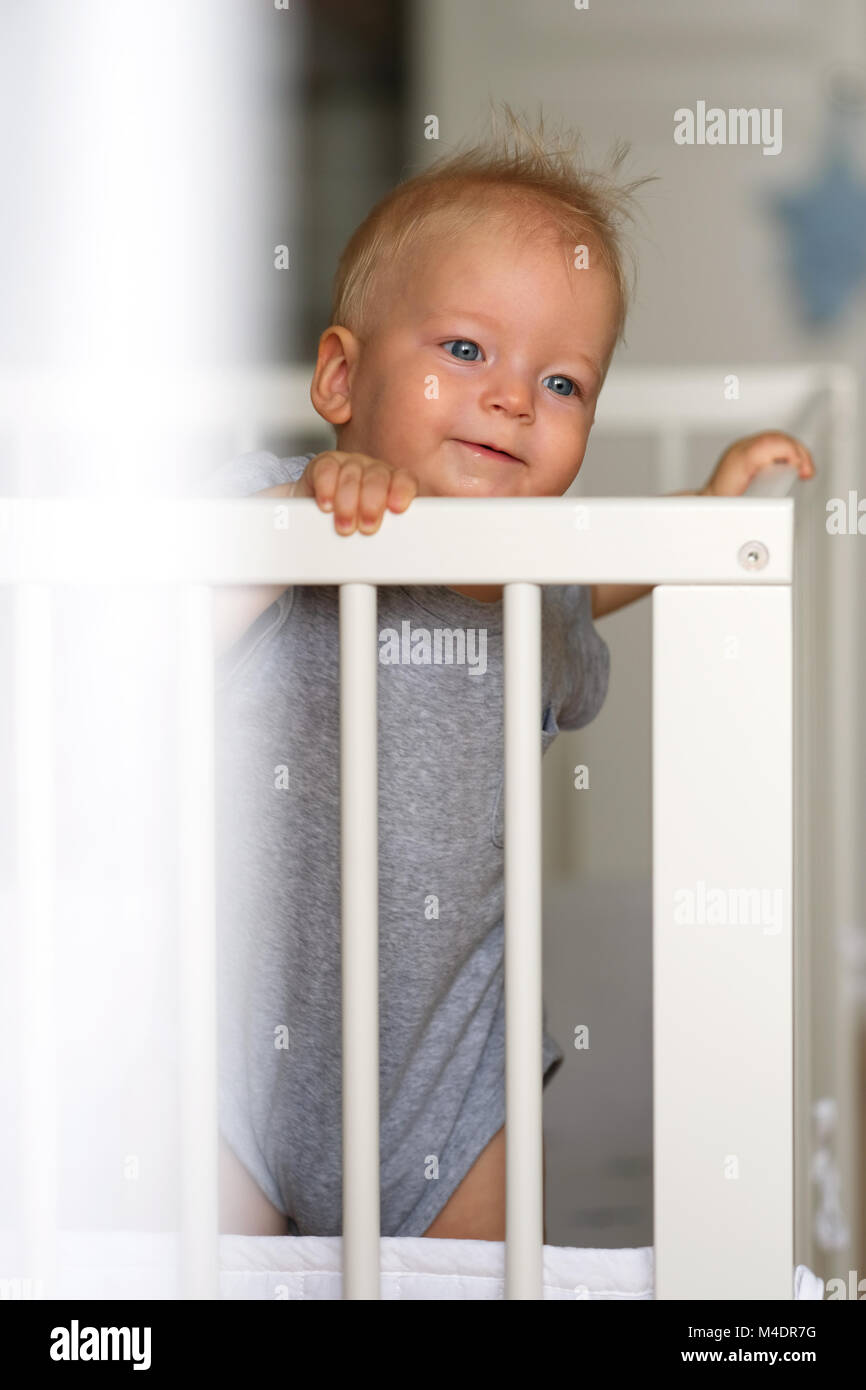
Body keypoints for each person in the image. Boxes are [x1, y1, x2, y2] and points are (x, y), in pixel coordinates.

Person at [207, 108, 814, 1242]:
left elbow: (608, 573)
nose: (512, 398)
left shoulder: (532, 589)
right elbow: (127, 631)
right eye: (465, 350)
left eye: (564, 383)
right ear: (339, 377)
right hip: (234, 1063)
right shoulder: (268, 514)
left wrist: (707, 519)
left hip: (453, 1078)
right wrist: (295, 517)